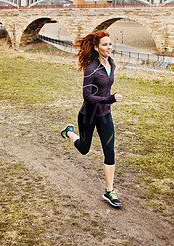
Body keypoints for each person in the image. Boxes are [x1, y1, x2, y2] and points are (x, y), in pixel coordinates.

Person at [60, 30, 123, 207]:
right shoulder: (91, 68)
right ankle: (70, 132)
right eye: (105, 44)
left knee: (109, 151)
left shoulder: (112, 63)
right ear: (96, 48)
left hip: (105, 115)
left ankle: (109, 191)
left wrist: (109, 99)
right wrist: (109, 99)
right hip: (88, 115)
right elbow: (87, 96)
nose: (109, 47)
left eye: (110, 44)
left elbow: (103, 89)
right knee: (84, 149)